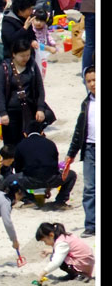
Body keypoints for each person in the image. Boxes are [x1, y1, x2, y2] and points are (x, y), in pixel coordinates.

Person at [0, 37, 52, 147]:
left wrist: (40, 108)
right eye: (22, 56)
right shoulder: (5, 69)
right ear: (14, 54)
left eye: (28, 55)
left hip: (29, 111)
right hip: (11, 113)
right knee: (11, 145)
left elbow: (40, 88)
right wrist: (2, 112)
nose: (25, 58)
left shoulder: (32, 66)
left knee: (30, 144)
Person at [14, 122, 75, 210]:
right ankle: (60, 201)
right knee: (72, 175)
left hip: (30, 180)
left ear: (25, 134)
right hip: (51, 179)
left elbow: (18, 169)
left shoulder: (21, 145)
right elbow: (54, 167)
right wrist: (48, 188)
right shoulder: (50, 143)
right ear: (42, 133)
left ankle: (28, 200)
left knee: (11, 179)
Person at [65, 66, 95, 236]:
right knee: (89, 188)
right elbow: (79, 130)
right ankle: (91, 225)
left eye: (94, 80)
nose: (92, 84)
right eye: (89, 81)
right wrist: (71, 153)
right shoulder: (86, 103)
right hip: (90, 148)